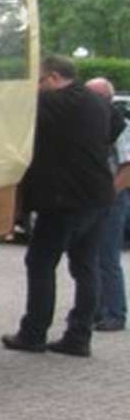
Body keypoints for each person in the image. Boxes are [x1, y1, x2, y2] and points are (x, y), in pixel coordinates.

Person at [3, 56, 121, 357]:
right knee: (86, 266)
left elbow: (13, 114)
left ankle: (33, 333)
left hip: (63, 200)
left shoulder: (54, 103)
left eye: (39, 81)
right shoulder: (97, 102)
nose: (37, 88)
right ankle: (79, 336)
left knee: (40, 263)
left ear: (53, 78)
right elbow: (116, 126)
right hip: (99, 196)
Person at [85, 77, 130, 331]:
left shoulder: (121, 127)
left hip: (112, 198)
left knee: (107, 257)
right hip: (95, 198)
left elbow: (127, 167)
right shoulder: (93, 125)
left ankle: (115, 312)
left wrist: (108, 195)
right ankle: (96, 309)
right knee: (91, 257)